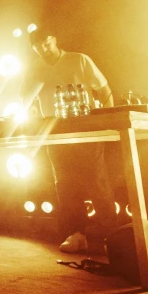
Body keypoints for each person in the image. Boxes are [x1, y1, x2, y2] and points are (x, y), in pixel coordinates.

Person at [28, 28, 118, 254]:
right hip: (55, 130)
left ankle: (112, 237)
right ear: (33, 49)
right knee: (65, 185)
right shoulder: (34, 68)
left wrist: (107, 120)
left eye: (46, 43)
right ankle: (76, 234)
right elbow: (26, 97)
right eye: (38, 47)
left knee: (96, 182)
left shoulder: (79, 60)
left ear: (54, 39)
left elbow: (104, 89)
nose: (43, 49)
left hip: (86, 127)